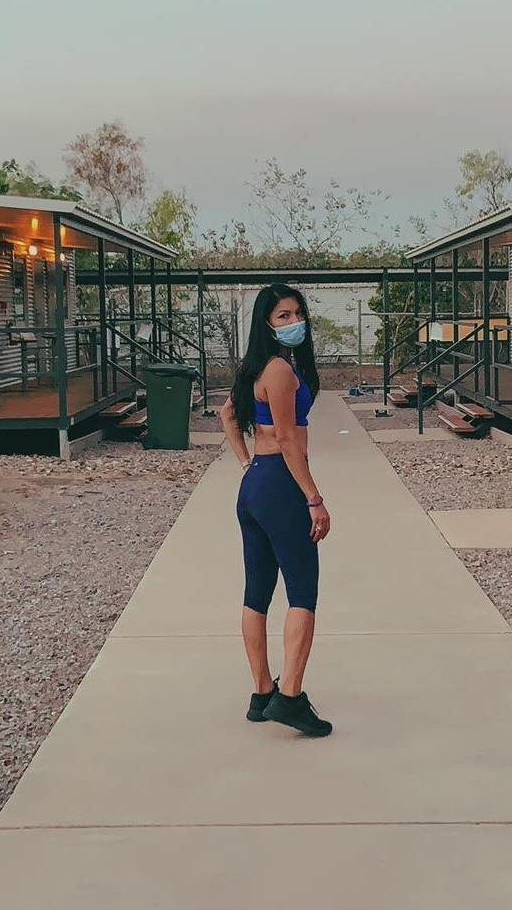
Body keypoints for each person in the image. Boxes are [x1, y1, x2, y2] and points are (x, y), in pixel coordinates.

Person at [220, 284, 332, 738]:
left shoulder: (253, 368)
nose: (294, 322)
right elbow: (287, 439)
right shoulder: (281, 370)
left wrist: (246, 462)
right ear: (266, 323)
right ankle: (289, 698)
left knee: (257, 592)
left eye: (298, 313)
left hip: (255, 486)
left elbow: (228, 414)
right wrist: (314, 498)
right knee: (303, 591)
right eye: (283, 316)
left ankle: (262, 692)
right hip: (282, 486)